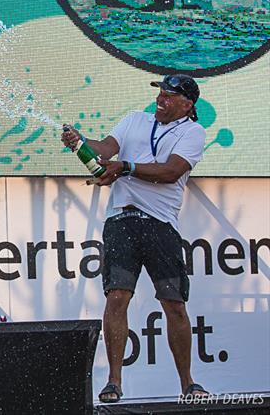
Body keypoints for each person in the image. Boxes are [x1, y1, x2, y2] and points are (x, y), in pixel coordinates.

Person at [61, 74, 210, 404]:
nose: (161, 99)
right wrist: (79, 141)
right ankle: (114, 382)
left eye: (169, 96)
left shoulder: (193, 132)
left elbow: (171, 171)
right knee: (116, 298)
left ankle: (188, 383)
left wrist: (125, 167)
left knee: (174, 304)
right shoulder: (134, 120)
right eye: (160, 93)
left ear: (187, 105)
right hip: (121, 221)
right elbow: (104, 150)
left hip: (160, 224)